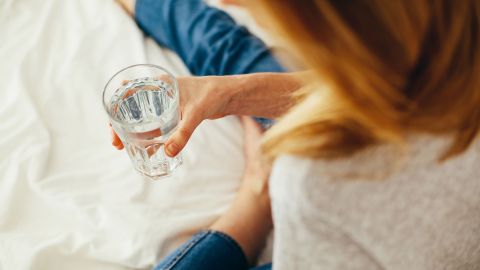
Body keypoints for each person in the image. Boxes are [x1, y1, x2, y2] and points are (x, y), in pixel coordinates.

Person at [114, 0, 480, 269]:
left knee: (229, 51)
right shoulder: (452, 42)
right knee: (231, 58)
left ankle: (256, 198)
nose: (229, 2)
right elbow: (392, 91)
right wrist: (232, 93)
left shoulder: (317, 182)